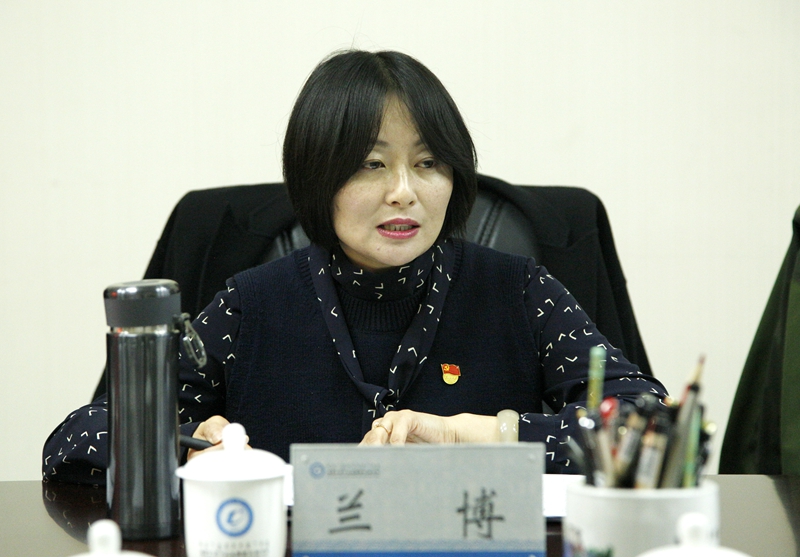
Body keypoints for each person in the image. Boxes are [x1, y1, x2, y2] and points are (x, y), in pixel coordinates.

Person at [43, 50, 667, 484]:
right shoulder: (251, 305)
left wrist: (473, 437)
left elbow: (651, 429)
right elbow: (77, 436)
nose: (404, 192)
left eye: (428, 163)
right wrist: (185, 447)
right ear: (318, 177)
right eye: (371, 164)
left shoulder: (518, 291)